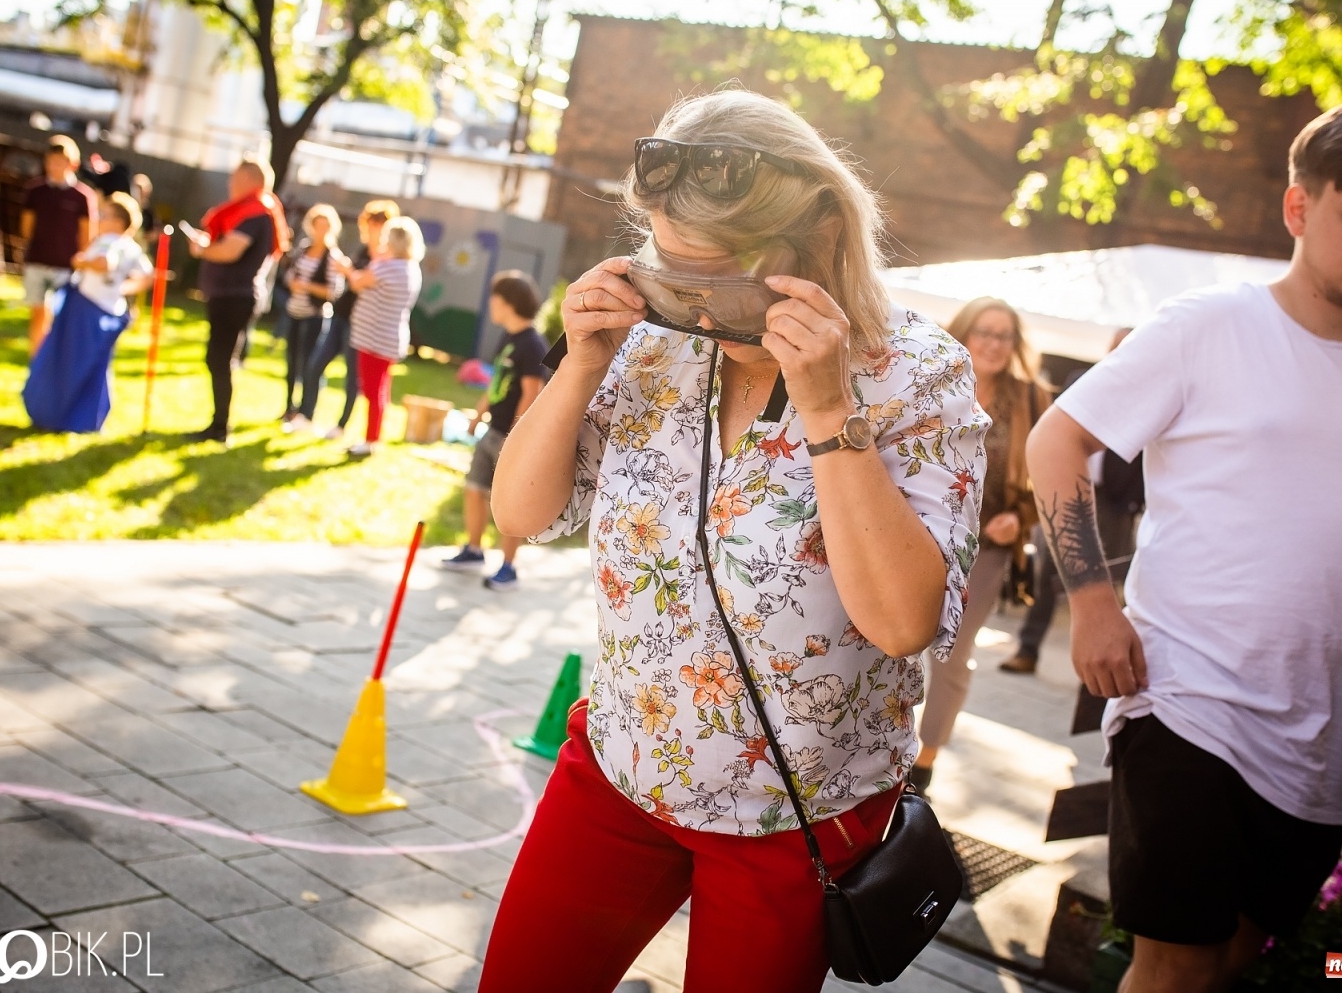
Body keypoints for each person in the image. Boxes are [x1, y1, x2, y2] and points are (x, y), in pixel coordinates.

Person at [478, 89, 986, 992]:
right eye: (671, 277)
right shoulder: (652, 345)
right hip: (623, 766)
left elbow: (904, 623)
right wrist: (582, 361)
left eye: (716, 280)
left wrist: (829, 408)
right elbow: (520, 516)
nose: (697, 313)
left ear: (820, 236)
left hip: (797, 812)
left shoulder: (919, 370)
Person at [1024, 103, 1342, 993]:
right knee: (1175, 962)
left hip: (1326, 735)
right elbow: (1056, 439)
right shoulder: (1206, 326)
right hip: (1186, 695)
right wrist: (1091, 602)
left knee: (1238, 956)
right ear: (1299, 210)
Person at [903, 297, 1050, 793]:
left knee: (951, 653)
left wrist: (1021, 517)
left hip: (984, 549)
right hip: (917, 531)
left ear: (1014, 346)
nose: (992, 343)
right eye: (983, 332)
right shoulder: (932, 381)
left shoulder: (1031, 399)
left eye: (1003, 335)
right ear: (962, 333)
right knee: (892, 639)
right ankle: (885, 747)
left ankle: (924, 762)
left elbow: (1047, 479)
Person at [1002, 327, 1144, 675]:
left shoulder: (1150, 393)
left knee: (1113, 581)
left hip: (1114, 503)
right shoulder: (1085, 381)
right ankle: (1028, 649)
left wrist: (1133, 502)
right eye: (1119, 347)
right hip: (1072, 489)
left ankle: (1109, 658)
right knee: (1050, 572)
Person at [441, 270, 551, 590]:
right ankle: (474, 550)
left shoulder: (531, 344)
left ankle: (509, 566)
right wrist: (478, 415)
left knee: (508, 504)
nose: (491, 303)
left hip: (510, 437)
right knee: (475, 488)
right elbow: (497, 384)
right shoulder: (508, 339)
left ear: (509, 303)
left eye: (496, 298)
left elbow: (532, 391)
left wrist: (517, 435)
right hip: (492, 430)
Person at [22, 192, 152, 433]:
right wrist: (121, 289)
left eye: (104, 215)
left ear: (118, 222)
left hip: (86, 310)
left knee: (68, 361)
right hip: (111, 312)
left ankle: (54, 414)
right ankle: (86, 418)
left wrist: (81, 262)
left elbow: (105, 263)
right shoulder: (131, 247)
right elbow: (147, 276)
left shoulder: (108, 241)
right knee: (94, 365)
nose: (99, 219)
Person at [185, 158, 291, 444]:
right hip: (228, 294)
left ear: (250, 180)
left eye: (235, 177)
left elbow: (230, 251)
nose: (230, 182)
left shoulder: (256, 213)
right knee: (217, 359)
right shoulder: (251, 211)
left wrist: (202, 250)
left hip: (235, 296)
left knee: (219, 359)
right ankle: (218, 424)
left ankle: (220, 427)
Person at [305, 199, 397, 441]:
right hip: (341, 316)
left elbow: (359, 282)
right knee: (316, 364)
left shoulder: (388, 257)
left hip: (363, 326)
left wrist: (348, 272)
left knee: (352, 378)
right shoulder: (365, 250)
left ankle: (342, 425)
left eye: (373, 224)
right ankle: (306, 415)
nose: (367, 229)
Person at [345, 217, 424, 458]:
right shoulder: (410, 268)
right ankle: (374, 436)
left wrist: (346, 269)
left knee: (372, 392)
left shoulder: (386, 267)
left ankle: (370, 440)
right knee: (380, 390)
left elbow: (358, 283)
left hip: (374, 338)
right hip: (391, 337)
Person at [20, 135, 97, 355]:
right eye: (50, 161)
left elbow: (86, 233)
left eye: (60, 161)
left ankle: (54, 358)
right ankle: (36, 359)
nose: (54, 166)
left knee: (60, 315)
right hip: (37, 260)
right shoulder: (36, 191)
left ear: (71, 164)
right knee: (38, 312)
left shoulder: (82, 196)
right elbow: (27, 227)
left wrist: (80, 261)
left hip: (66, 265)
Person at [280, 204, 350, 431]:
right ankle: (289, 407)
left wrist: (307, 286)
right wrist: (293, 283)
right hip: (294, 311)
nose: (320, 231)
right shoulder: (304, 249)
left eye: (325, 226)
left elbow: (334, 292)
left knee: (310, 364)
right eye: (316, 225)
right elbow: (290, 275)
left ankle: (305, 410)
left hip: (315, 316)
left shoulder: (332, 256)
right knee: (291, 361)